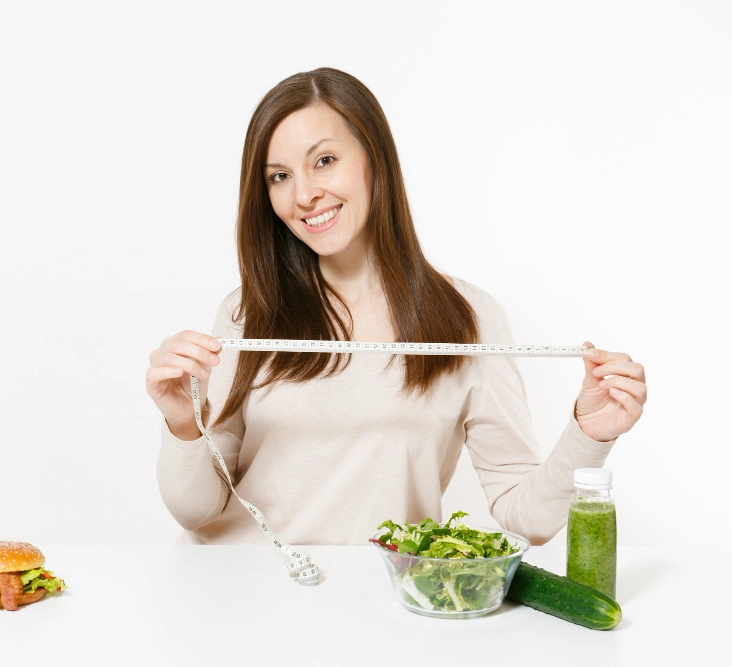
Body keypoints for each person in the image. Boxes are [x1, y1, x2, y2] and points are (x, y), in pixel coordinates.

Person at [146, 68, 646, 546]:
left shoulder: (469, 318)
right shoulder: (247, 314)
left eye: (324, 161)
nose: (303, 194)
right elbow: (197, 510)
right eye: (278, 176)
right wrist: (181, 424)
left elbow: (525, 517)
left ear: (373, 158)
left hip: (385, 607)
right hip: (242, 592)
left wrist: (588, 435)